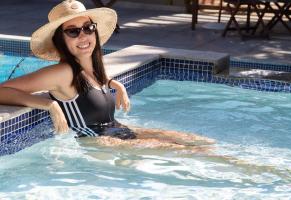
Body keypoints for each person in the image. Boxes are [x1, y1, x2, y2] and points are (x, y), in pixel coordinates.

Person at [0, 0, 214, 151]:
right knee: (193, 153)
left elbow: (91, 86)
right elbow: (3, 90)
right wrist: (48, 105)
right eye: (73, 31)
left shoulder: (91, 66)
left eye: (88, 27)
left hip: (116, 130)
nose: (83, 35)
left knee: (199, 142)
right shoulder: (62, 72)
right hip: (99, 142)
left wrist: (115, 84)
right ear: (60, 40)